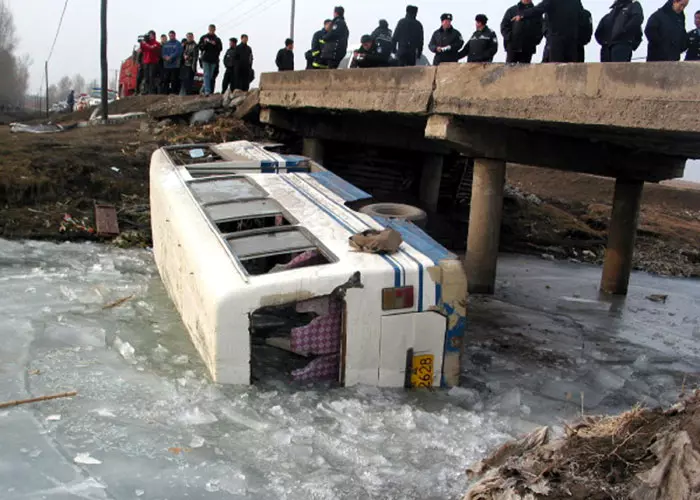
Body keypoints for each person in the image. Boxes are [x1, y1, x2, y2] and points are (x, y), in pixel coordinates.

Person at [513, 0, 585, 63]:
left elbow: (538, 9)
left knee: (556, 67)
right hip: (572, 40)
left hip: (556, 40)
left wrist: (523, 15)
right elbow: (582, 17)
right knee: (571, 69)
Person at [198, 24, 223, 96]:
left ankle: (203, 89)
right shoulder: (204, 37)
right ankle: (207, 91)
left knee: (210, 76)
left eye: (213, 29)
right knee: (206, 74)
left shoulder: (217, 39)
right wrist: (205, 44)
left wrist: (215, 44)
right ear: (208, 29)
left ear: (214, 30)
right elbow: (200, 47)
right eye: (210, 29)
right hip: (205, 58)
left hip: (214, 59)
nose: (211, 30)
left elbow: (220, 48)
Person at [161, 31, 183, 95]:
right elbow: (163, 53)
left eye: (172, 35)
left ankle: (174, 93)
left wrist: (170, 57)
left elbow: (178, 52)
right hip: (167, 65)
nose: (171, 36)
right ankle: (165, 93)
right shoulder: (166, 44)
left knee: (174, 80)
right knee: (166, 80)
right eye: (170, 35)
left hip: (175, 65)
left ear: (175, 35)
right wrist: (165, 57)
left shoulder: (178, 43)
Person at [139, 30, 161, 95]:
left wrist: (145, 43)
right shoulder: (145, 42)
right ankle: (146, 90)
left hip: (153, 62)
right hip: (146, 62)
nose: (150, 36)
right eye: (149, 35)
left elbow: (151, 48)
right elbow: (142, 49)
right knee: (146, 77)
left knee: (152, 76)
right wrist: (142, 42)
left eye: (152, 35)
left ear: (154, 36)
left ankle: (152, 91)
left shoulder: (156, 43)